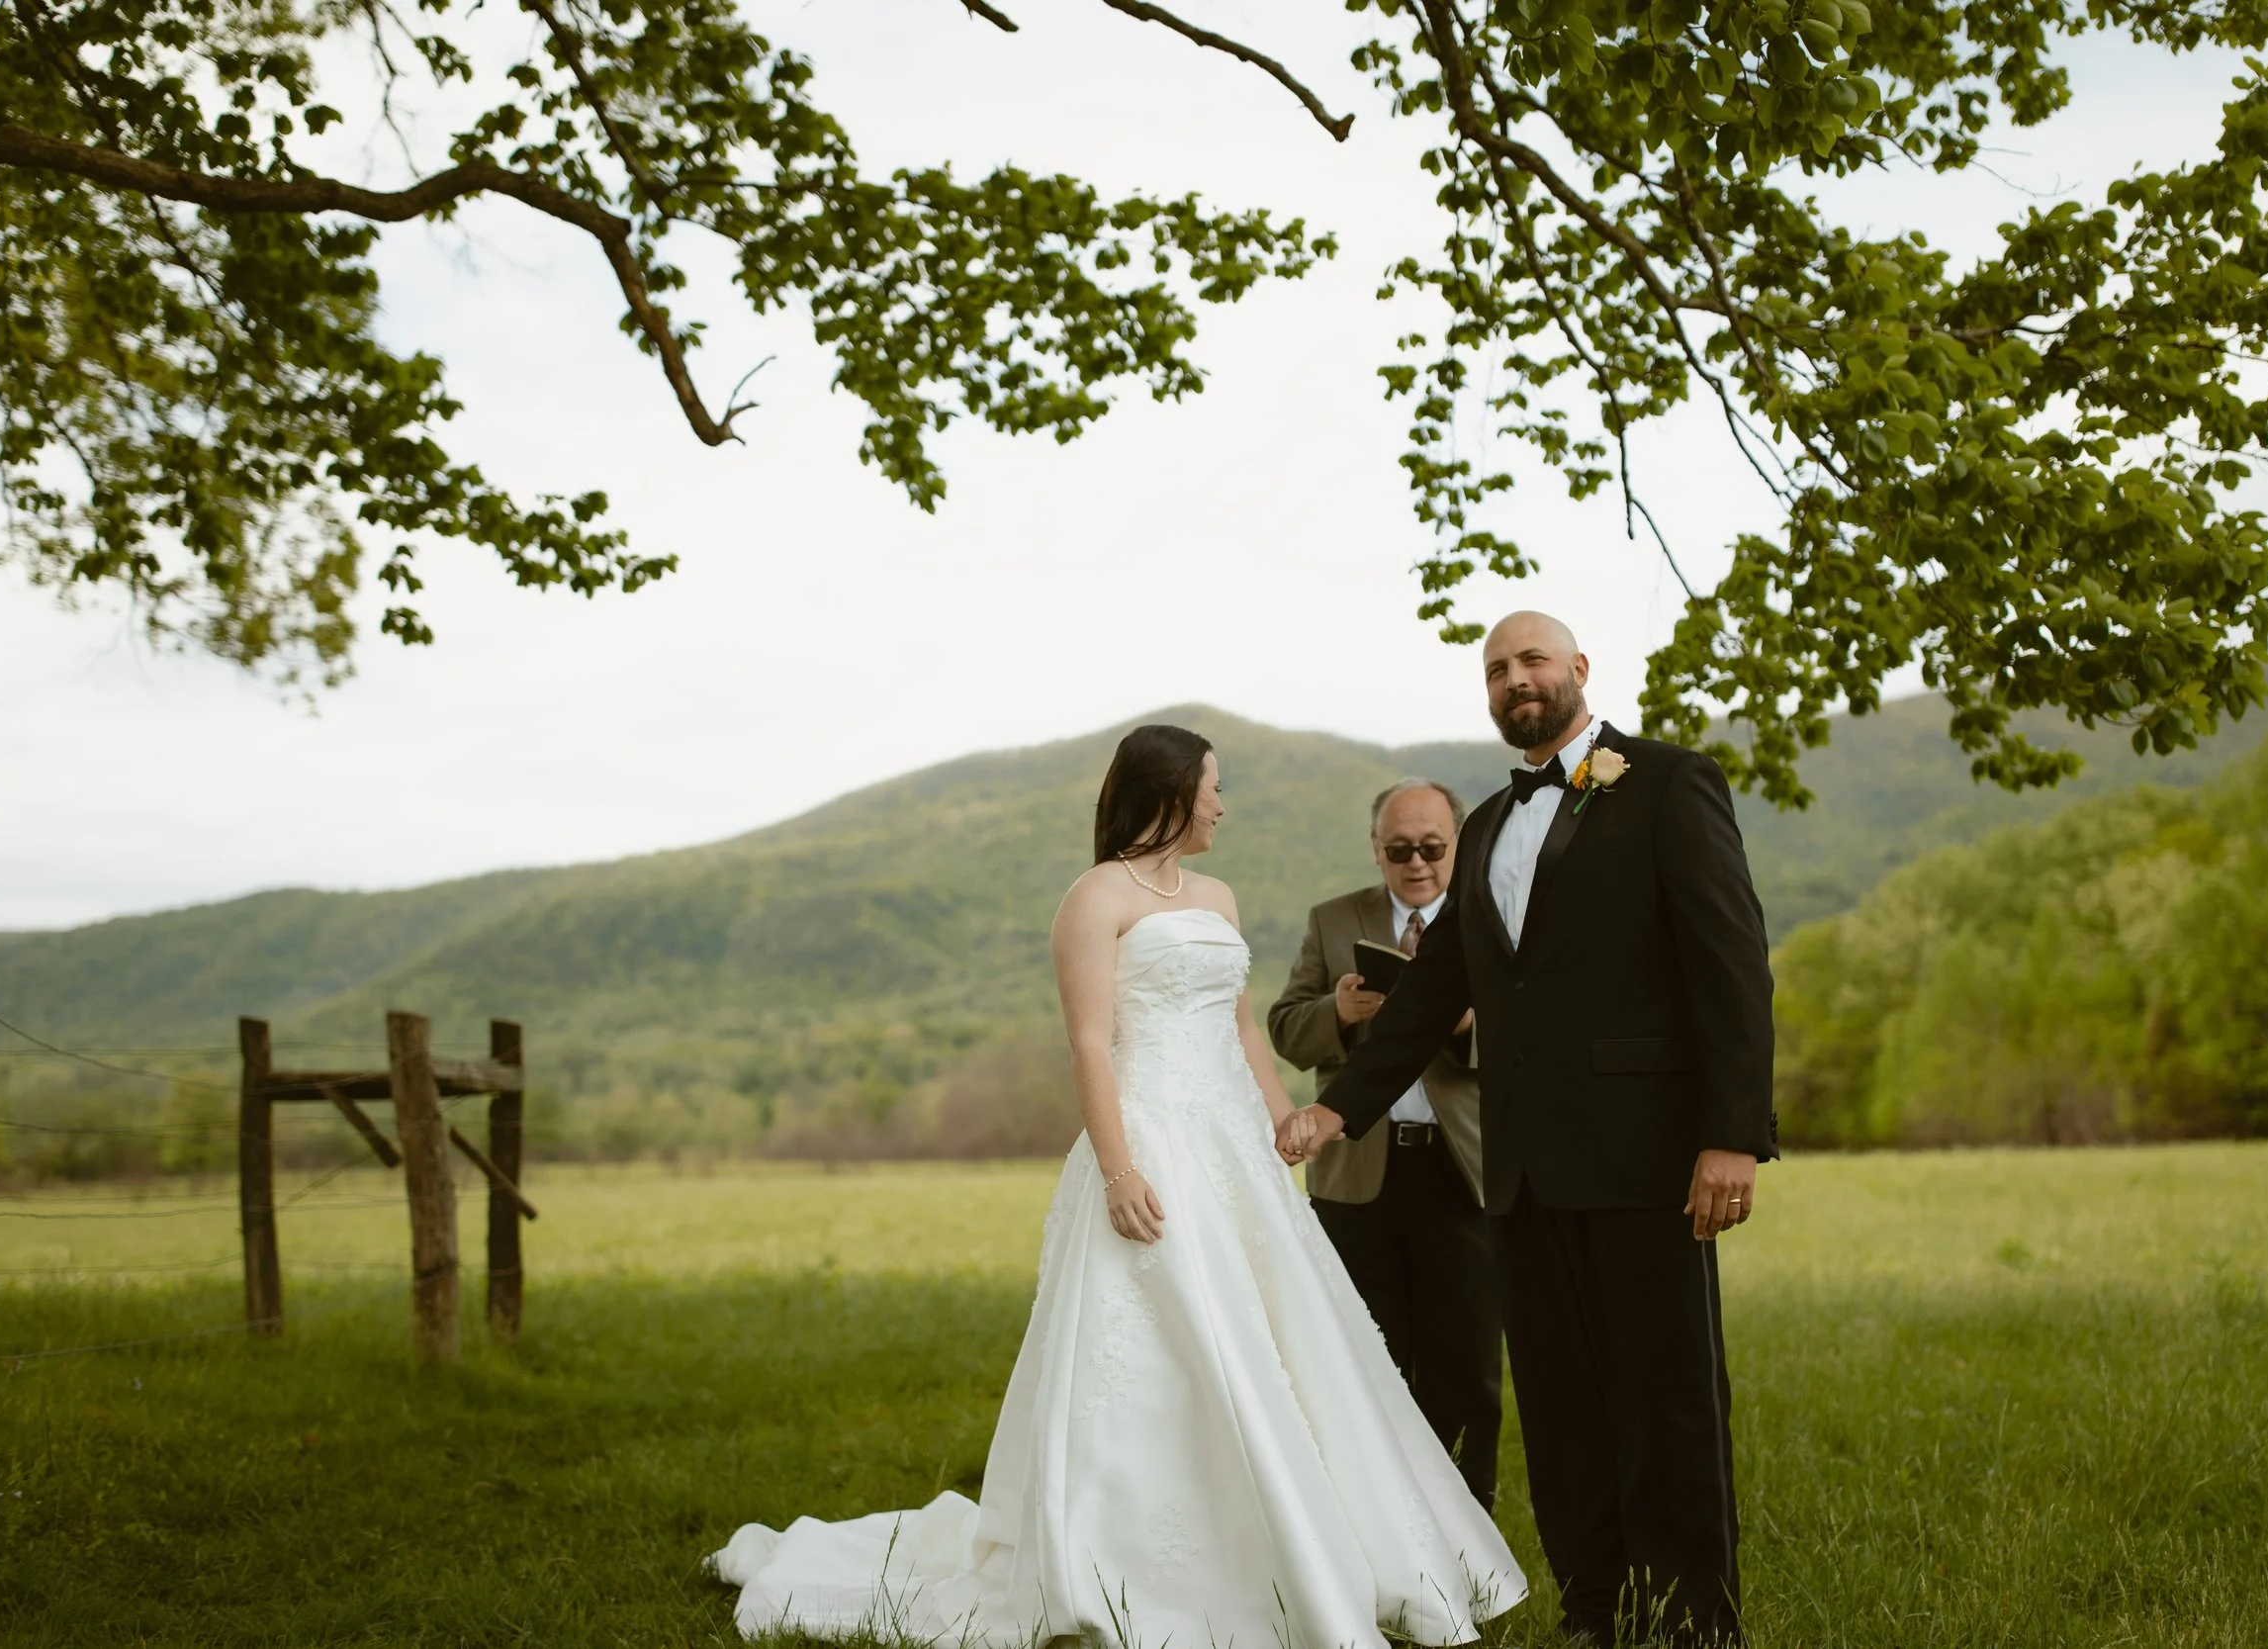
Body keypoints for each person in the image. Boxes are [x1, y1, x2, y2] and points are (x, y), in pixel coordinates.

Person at [713, 724, 1525, 1649]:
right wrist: (1119, 1167)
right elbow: (1091, 1042)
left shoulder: (1217, 896)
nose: (1223, 804)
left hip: (1232, 1152)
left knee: (1281, 1345)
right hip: (1150, 1143)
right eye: (1214, 787)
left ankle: (1299, 1538)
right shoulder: (1093, 897)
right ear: (1173, 792)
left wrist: (1283, 1123)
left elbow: (1244, 1031)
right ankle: (1134, 1554)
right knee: (1156, 1346)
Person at [1279, 613, 1777, 1649]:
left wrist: (1731, 1133)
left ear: (1579, 670)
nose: (1516, 679)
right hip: (1516, 1173)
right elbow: (1432, 995)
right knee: (1557, 1407)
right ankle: (1593, 1609)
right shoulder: (1491, 829)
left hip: (1646, 1160)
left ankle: (1689, 1622)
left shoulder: (1669, 784)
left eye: (1533, 660)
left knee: (1667, 1400)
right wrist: (1340, 1105)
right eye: (1497, 668)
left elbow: (1728, 962)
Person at [1267, 778, 1502, 1511]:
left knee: (1464, 1367)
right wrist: (1335, 1012)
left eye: (1432, 847)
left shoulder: (1491, 917)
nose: (1416, 863)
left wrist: (1469, 1028)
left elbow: (1539, 1037)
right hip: (1356, 1174)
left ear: (1458, 846)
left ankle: (1467, 1533)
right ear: (1376, 849)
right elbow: (1281, 1026)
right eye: (1399, 849)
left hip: (1462, 1169)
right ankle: (1370, 1524)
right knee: (1360, 1360)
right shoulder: (1333, 919)